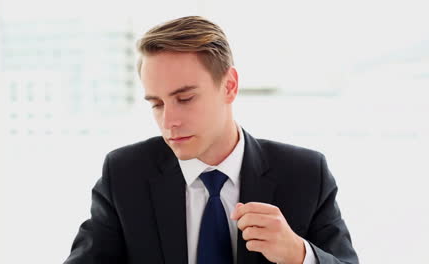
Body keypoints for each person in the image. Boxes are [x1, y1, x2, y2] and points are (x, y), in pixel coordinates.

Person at [64, 16, 359, 264]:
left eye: (185, 98)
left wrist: (300, 254)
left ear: (229, 86)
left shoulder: (305, 173)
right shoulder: (125, 173)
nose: (169, 122)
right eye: (157, 103)